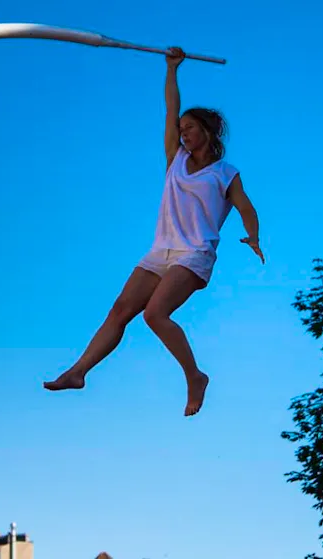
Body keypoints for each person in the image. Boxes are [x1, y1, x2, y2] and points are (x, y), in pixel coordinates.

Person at [43, 46, 265, 416]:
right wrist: (172, 70)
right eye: (181, 129)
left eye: (190, 128)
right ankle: (79, 372)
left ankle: (195, 377)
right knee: (120, 310)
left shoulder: (225, 173)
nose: (183, 133)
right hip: (161, 249)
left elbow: (246, 206)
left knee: (155, 314)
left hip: (194, 253)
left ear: (207, 132)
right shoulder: (174, 158)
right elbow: (170, 108)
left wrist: (253, 235)